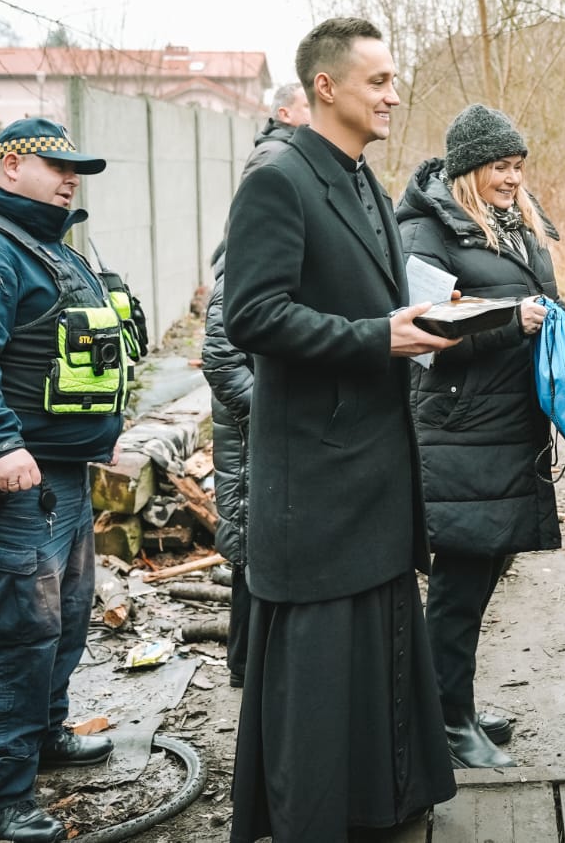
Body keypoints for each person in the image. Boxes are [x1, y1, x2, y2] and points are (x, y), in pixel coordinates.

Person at [223, 17, 460, 842]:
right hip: (316, 477)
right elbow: (251, 314)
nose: (394, 94)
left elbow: (365, 301)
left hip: (375, 463)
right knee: (322, 660)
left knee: (384, 633)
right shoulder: (278, 178)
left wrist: (424, 319)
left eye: (394, 79)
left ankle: (382, 800)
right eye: (378, 81)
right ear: (327, 87)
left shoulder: (362, 178)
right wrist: (376, 337)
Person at [0, 118, 132, 843]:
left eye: (78, 168)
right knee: (11, 631)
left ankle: (43, 736)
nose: (71, 178)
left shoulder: (47, 249)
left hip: (58, 476)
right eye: (56, 165)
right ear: (9, 167)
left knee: (63, 617)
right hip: (2, 483)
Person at [394, 103, 560, 769]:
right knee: (462, 584)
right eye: (500, 166)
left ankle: (450, 703)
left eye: (518, 166)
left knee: (482, 578)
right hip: (459, 435)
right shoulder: (424, 232)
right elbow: (418, 337)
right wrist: (505, 324)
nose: (512, 177)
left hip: (510, 427)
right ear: (467, 170)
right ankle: (444, 721)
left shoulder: (514, 224)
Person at [200, 81, 313, 689]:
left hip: (264, 432)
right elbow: (219, 360)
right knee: (247, 551)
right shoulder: (237, 270)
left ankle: (258, 665)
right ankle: (245, 669)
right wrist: (271, 410)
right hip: (248, 439)